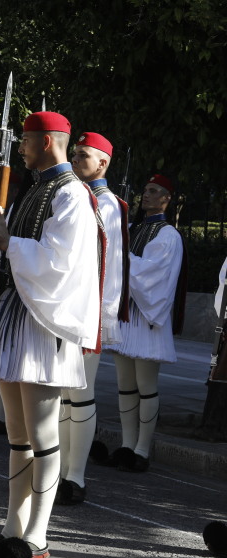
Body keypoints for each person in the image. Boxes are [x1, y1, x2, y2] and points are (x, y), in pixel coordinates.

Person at [0, 111, 101, 558]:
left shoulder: (70, 193)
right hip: (16, 316)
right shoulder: (37, 187)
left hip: (44, 323)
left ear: (47, 142)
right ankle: (12, 529)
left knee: (44, 437)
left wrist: (10, 245)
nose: (20, 148)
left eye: (25, 141)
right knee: (18, 437)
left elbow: (62, 262)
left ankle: (38, 536)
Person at [57, 131, 127, 504]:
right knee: (64, 397)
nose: (75, 159)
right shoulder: (79, 196)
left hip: (88, 311)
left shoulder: (105, 203)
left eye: (83, 155)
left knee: (80, 396)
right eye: (75, 153)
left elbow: (106, 268)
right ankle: (61, 472)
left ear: (103, 162)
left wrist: (98, 317)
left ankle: (75, 477)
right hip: (70, 308)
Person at [106, 173, 186, 472]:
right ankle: (127, 446)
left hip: (147, 317)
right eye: (146, 189)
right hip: (126, 316)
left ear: (167, 198)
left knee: (145, 385)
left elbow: (153, 276)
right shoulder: (132, 228)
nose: (147, 195)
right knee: (126, 385)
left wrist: (121, 254)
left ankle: (142, 450)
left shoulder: (168, 235)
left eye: (154, 191)